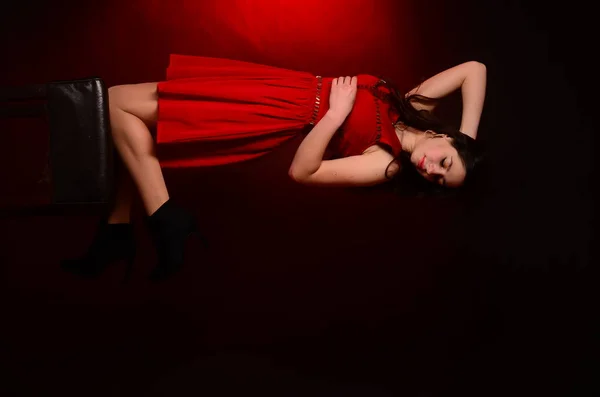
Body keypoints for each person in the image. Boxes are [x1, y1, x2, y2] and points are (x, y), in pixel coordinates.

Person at [61, 55, 486, 282]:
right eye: (445, 163)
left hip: (272, 115)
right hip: (277, 86)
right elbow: (474, 70)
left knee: (115, 103)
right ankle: (116, 232)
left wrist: (335, 116)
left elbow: (303, 173)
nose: (432, 171)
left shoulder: (387, 165)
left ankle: (162, 215)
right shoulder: (410, 105)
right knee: (135, 136)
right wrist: (467, 142)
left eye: (439, 181)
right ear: (444, 138)